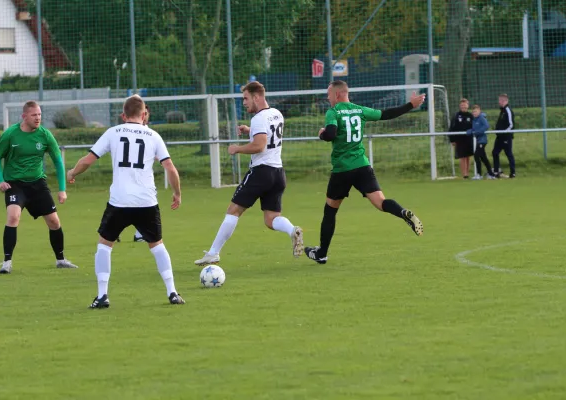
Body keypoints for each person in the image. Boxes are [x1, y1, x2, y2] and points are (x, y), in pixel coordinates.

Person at [66, 94, 185, 308]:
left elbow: (88, 160)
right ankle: (173, 292)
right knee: (157, 245)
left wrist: (72, 172)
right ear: (144, 114)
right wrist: (177, 193)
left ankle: (102, 296)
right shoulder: (153, 136)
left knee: (104, 245)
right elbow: (170, 167)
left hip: (119, 201)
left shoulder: (113, 133)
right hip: (146, 202)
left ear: (123, 115)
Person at [304, 80, 425, 265]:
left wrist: (321, 134)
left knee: (330, 211)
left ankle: (322, 253)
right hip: (362, 166)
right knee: (381, 202)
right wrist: (411, 105)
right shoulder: (360, 110)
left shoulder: (333, 112)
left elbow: (330, 134)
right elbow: (386, 114)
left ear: (337, 95)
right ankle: (403, 213)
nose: (328, 98)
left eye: (329, 94)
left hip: (342, 169)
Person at [194, 81, 304, 266]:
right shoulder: (276, 114)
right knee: (271, 219)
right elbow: (268, 137)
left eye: (245, 98)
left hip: (261, 172)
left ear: (256, 97)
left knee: (233, 210)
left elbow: (260, 146)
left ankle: (213, 253)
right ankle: (293, 230)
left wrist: (237, 148)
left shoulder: (258, 119)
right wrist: (250, 130)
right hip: (278, 173)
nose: (244, 102)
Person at [0, 100, 78, 274]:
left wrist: (62, 189)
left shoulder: (45, 135)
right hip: (15, 185)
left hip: (38, 184)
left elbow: (58, 162)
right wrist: (1, 180)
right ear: (24, 116)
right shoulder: (10, 134)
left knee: (54, 222)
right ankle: (7, 262)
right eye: (34, 115)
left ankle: (61, 259)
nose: (38, 118)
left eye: (39, 114)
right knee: (13, 217)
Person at [117, 104, 151, 243]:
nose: (146, 115)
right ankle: (114, 232)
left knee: (139, 206)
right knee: (126, 206)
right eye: (145, 112)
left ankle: (139, 234)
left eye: (147, 112)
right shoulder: (125, 132)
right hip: (129, 177)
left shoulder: (148, 132)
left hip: (142, 178)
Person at [466, 105, 496, 180]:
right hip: (478, 140)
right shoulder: (474, 119)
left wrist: (477, 132)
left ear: (479, 111)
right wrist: (470, 131)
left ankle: (479, 174)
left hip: (482, 141)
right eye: (473, 112)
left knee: (476, 155)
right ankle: (491, 174)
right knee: (483, 158)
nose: (474, 113)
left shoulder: (482, 118)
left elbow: (486, 126)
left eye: (475, 111)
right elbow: (474, 128)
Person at [448, 98, 474, 179]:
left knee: (467, 157)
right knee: (462, 157)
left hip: (469, 139)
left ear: (468, 105)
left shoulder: (471, 115)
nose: (463, 106)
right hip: (459, 139)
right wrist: (452, 140)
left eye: (465, 105)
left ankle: (467, 172)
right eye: (462, 105)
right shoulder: (456, 115)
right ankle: (464, 174)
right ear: (460, 106)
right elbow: (451, 128)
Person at [492, 94, 516, 178]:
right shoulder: (502, 111)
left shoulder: (508, 110)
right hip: (499, 137)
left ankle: (512, 173)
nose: (499, 102)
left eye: (500, 100)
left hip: (506, 137)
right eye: (499, 100)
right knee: (495, 152)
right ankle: (496, 171)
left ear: (505, 101)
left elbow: (511, 124)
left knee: (508, 153)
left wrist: (504, 133)